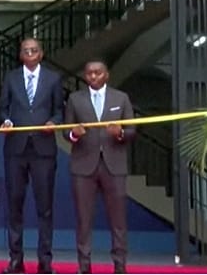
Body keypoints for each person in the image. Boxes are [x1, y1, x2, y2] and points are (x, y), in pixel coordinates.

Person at [64, 59, 135, 275]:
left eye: (98, 73)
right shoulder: (75, 99)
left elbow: (131, 131)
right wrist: (73, 134)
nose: (93, 76)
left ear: (107, 75)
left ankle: (120, 265)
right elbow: (66, 131)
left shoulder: (121, 98)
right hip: (83, 166)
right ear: (85, 76)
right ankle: (84, 265)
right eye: (89, 73)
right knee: (83, 219)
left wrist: (120, 133)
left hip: (114, 166)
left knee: (118, 219)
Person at [0, 38, 63, 274]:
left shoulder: (53, 78)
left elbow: (59, 110)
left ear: (41, 54)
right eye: (26, 50)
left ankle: (45, 261)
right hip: (15, 149)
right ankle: (15, 260)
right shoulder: (11, 77)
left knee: (45, 208)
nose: (30, 53)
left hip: (43, 149)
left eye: (34, 50)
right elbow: (2, 108)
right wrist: (6, 121)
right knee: (14, 205)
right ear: (20, 55)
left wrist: (53, 122)